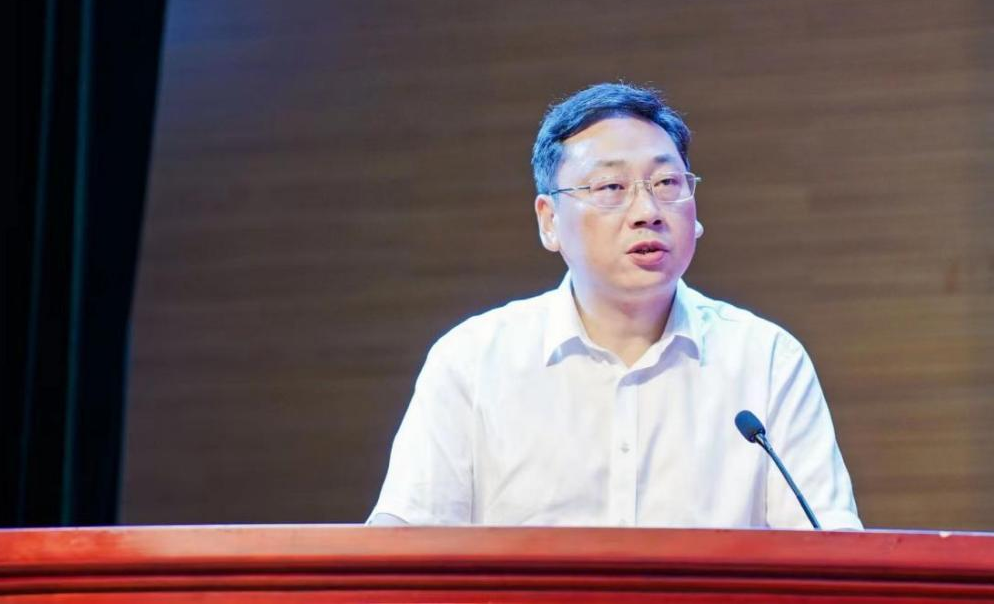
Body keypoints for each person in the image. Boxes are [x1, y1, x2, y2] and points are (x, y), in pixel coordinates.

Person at [367, 82, 861, 529]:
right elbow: (402, 549)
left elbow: (832, 556)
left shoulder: (767, 361)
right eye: (611, 188)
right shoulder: (473, 361)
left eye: (667, 184)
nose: (647, 212)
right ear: (549, 221)